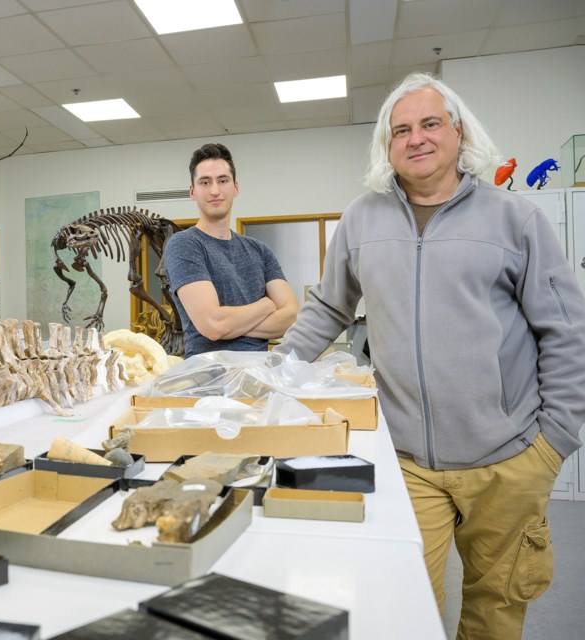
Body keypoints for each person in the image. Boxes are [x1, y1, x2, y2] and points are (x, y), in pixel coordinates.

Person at [275, 72, 585, 639]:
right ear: (386, 146)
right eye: (401, 130)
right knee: (401, 610)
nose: (416, 139)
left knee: (496, 609)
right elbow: (327, 309)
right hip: (407, 464)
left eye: (430, 124)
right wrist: (274, 376)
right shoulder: (361, 219)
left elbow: (566, 331)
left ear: (457, 132)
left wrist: (554, 441)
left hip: (509, 458)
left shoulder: (514, 218)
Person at [164, 142, 298, 357]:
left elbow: (291, 315)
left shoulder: (259, 250)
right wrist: (266, 305)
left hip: (259, 378)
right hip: (208, 381)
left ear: (235, 188)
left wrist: (230, 327)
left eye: (223, 181)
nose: (215, 190)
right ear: (192, 192)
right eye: (205, 182)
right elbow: (214, 325)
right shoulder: (184, 245)